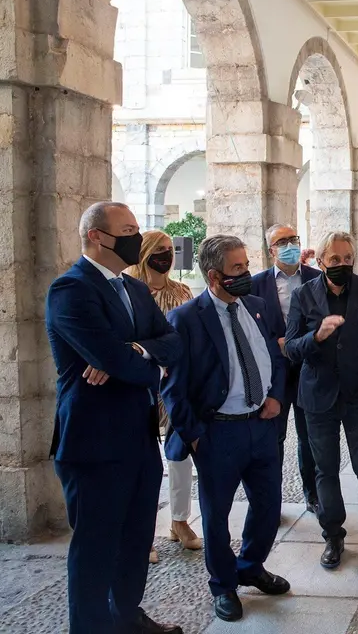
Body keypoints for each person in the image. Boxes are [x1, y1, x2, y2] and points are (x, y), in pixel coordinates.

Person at [45, 201, 184, 634]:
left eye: (137, 229)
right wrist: (141, 362)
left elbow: (173, 342)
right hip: (94, 442)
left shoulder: (135, 289)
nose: (136, 238)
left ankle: (126, 617)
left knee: (136, 539)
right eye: (127, 231)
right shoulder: (71, 289)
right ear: (96, 236)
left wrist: (137, 350)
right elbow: (115, 360)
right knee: (96, 548)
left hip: (139, 436)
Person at [162, 235, 291, 623]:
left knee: (268, 505)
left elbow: (276, 357)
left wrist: (275, 397)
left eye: (246, 265)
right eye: (238, 268)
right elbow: (173, 388)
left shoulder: (256, 306)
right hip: (218, 433)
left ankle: (250, 566)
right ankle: (223, 585)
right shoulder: (186, 319)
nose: (247, 273)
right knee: (216, 515)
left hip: (261, 426)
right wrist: (194, 434)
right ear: (214, 276)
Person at [285, 232, 358, 573]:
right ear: (321, 262)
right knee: (325, 470)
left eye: (348, 259)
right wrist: (317, 336)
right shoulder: (303, 294)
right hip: (318, 397)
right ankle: (333, 535)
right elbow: (291, 347)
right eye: (335, 259)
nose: (342, 264)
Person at [124, 230, 202, 564]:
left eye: (170, 249)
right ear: (144, 253)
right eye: (159, 250)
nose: (167, 256)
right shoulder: (129, 292)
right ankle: (140, 532)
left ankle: (179, 520)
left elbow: (187, 338)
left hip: (177, 383)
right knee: (139, 461)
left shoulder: (181, 291)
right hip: (141, 383)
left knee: (179, 453)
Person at [250, 224, 321, 515]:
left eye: (293, 239)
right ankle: (271, 500)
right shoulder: (256, 284)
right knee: (273, 438)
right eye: (282, 241)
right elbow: (250, 328)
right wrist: (275, 344)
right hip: (273, 372)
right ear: (271, 250)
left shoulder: (316, 278)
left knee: (309, 437)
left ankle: (313, 495)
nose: (290, 245)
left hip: (308, 368)